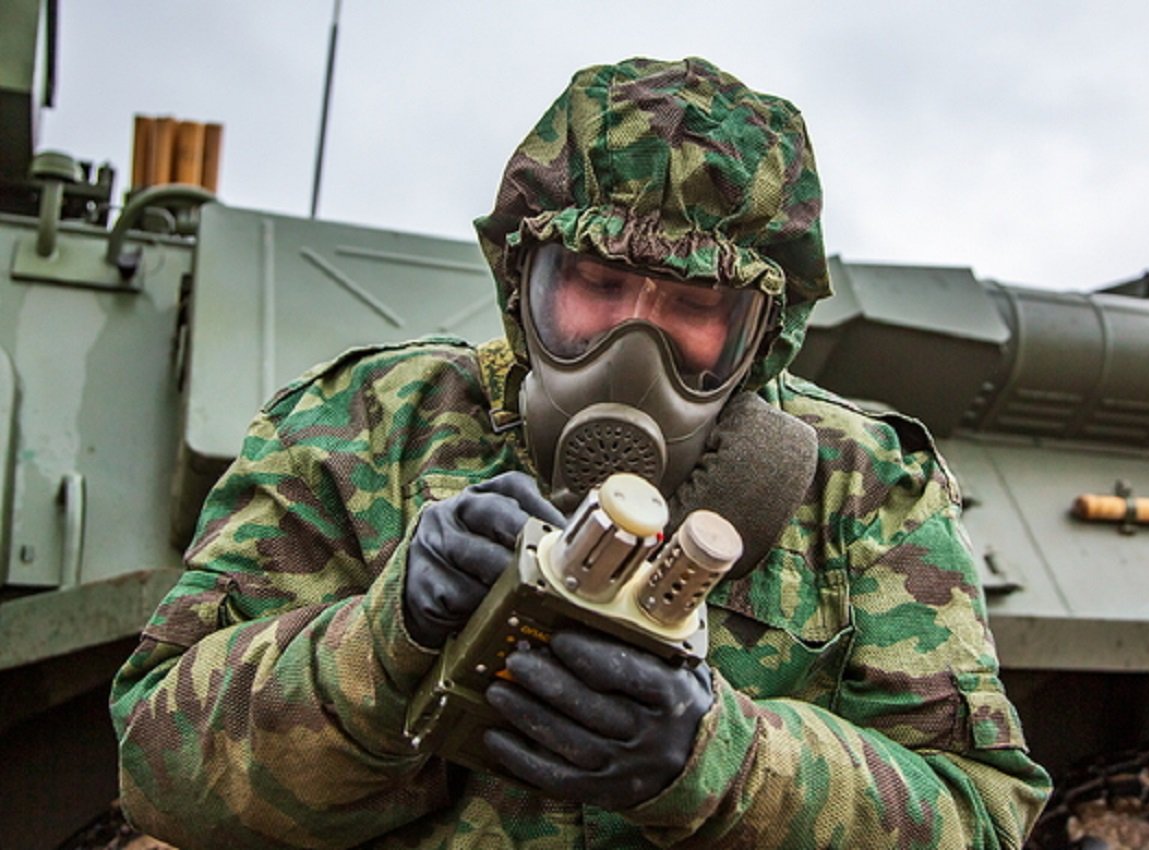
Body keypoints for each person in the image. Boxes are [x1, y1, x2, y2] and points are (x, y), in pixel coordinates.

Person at [111, 57, 1051, 848]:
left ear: (765, 335)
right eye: (596, 284)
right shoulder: (364, 429)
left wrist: (718, 762)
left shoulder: (864, 489)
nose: (630, 344)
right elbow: (157, 767)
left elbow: (982, 816)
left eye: (693, 305)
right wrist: (384, 641)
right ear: (521, 280)